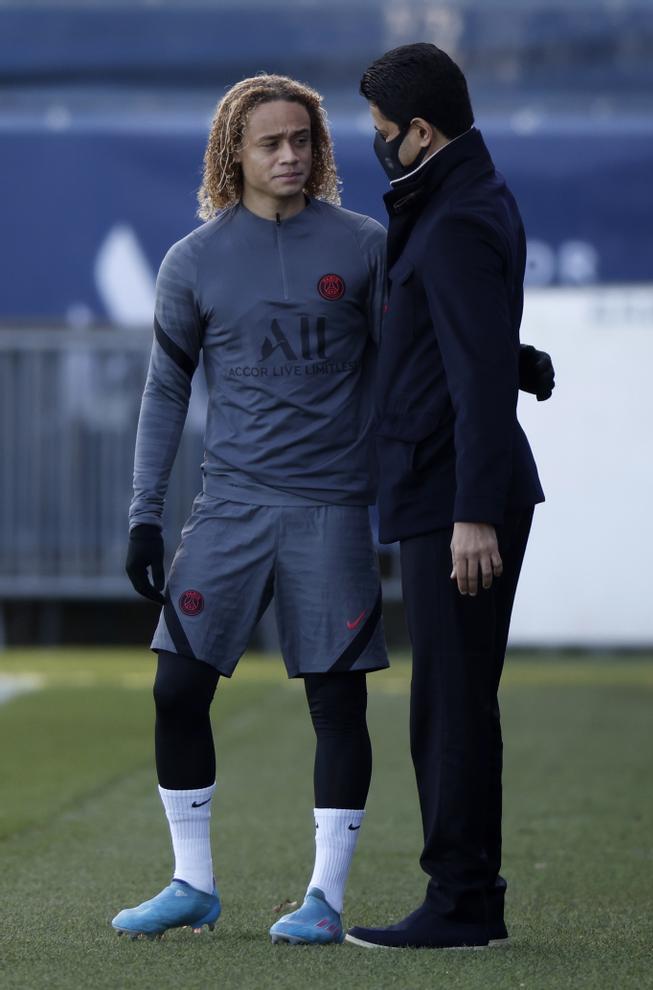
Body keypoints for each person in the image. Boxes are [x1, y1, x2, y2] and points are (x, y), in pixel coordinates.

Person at [112, 74, 389, 944]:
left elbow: (416, 358)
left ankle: (325, 899)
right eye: (271, 143)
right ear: (234, 153)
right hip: (228, 509)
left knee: (337, 705)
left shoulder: (366, 244)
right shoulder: (192, 261)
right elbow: (165, 392)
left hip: (331, 510)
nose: (290, 156)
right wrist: (144, 516)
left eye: (303, 140)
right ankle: (192, 881)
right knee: (176, 689)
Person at [345, 44, 552, 950]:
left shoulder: (456, 213)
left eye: (386, 135)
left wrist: (472, 511)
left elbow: (470, 376)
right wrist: (527, 365)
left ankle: (462, 902)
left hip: (456, 496)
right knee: (457, 698)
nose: (378, 148)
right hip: (448, 482)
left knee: (452, 705)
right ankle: (468, 896)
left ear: (421, 133)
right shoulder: (462, 197)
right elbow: (468, 345)